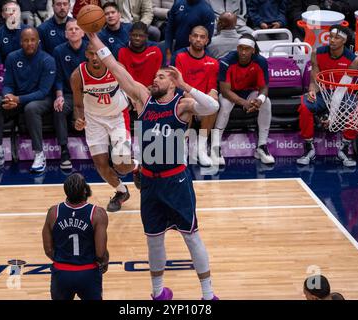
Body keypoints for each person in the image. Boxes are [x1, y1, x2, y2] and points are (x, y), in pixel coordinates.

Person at [87, 31, 220, 300]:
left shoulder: (182, 105)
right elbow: (115, 66)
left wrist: (186, 85)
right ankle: (158, 292)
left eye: (161, 76)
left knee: (191, 236)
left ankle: (208, 295)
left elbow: (212, 106)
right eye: (155, 76)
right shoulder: (142, 99)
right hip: (149, 181)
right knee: (153, 238)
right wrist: (93, 36)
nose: (154, 79)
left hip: (176, 180)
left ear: (173, 83)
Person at [71, 42, 140, 212]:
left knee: (121, 165)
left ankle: (138, 166)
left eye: (98, 54)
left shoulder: (116, 68)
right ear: (86, 54)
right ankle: (121, 192)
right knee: (101, 165)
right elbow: (78, 106)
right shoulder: (77, 75)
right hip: (94, 119)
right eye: (91, 54)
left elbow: (132, 89)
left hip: (118, 117)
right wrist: (79, 119)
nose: (95, 58)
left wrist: (136, 103)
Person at [297, 25, 358, 167]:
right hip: (322, 92)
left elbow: (341, 90)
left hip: (342, 94)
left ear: (344, 41)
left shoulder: (353, 61)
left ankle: (344, 148)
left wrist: (332, 117)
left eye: (336, 37)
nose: (332, 40)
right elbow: (314, 79)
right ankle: (308, 148)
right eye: (330, 36)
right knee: (305, 106)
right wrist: (312, 90)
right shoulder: (316, 53)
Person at [0, 27, 56, 173]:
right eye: (25, 40)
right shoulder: (12, 57)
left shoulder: (48, 60)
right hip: (18, 98)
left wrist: (17, 99)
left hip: (42, 100)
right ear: (20, 42)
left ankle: (39, 154)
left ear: (38, 42)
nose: (29, 43)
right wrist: (7, 97)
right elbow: (8, 84)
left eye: (32, 40)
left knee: (31, 108)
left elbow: (43, 92)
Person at [42, 173, 109, 300]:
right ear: (85, 190)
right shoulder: (97, 213)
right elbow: (100, 253)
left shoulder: (53, 212)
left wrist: (65, 261)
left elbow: (48, 249)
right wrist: (105, 261)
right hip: (88, 272)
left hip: (61, 273)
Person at [213, 34, 275, 166]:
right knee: (225, 105)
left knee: (266, 103)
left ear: (253, 50)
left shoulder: (261, 61)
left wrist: (259, 100)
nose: (243, 52)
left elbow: (264, 88)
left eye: (247, 49)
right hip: (230, 93)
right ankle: (215, 146)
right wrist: (245, 103)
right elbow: (225, 91)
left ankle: (261, 147)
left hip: (249, 92)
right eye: (240, 48)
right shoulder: (226, 61)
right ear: (237, 48)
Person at [172, 25, 219, 167]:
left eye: (202, 37)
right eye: (195, 36)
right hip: (184, 97)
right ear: (190, 38)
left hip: (201, 100)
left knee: (213, 105)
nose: (198, 39)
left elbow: (212, 87)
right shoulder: (179, 57)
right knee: (188, 102)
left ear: (207, 41)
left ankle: (201, 149)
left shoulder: (213, 62)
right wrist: (192, 98)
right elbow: (177, 84)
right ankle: (183, 149)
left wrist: (213, 92)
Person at [53, 19, 88, 170]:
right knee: (59, 108)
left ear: (83, 32)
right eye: (70, 29)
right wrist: (59, 96)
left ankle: (106, 150)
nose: (73, 31)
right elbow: (58, 77)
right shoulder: (58, 51)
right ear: (65, 34)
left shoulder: (90, 48)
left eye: (76, 28)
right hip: (68, 94)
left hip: (88, 94)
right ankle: (64, 151)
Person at [117, 22, 162, 87]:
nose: (137, 38)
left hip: (152, 91)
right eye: (134, 35)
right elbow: (122, 77)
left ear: (146, 37)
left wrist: (154, 87)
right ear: (129, 35)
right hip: (130, 91)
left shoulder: (155, 51)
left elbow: (160, 74)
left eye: (141, 36)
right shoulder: (122, 52)